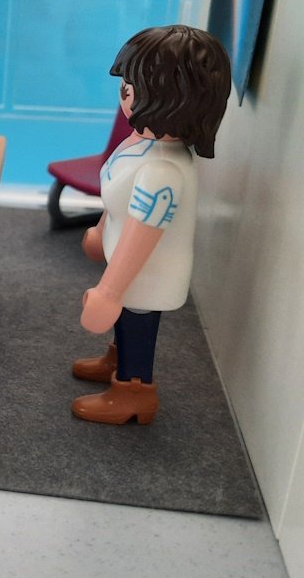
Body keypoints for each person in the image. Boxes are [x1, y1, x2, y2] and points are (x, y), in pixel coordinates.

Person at [71, 25, 231, 425]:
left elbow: (143, 236)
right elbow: (119, 197)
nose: (123, 93)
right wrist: (101, 229)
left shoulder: (162, 172)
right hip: (128, 265)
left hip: (145, 272)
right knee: (126, 321)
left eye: (133, 88)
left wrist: (109, 291)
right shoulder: (140, 142)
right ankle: (117, 360)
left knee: (137, 323)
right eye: (125, 86)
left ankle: (134, 392)